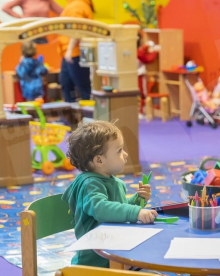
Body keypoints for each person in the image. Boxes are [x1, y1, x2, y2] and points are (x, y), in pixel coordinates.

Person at [62, 121, 158, 267]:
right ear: (99, 160)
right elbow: (101, 209)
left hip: (116, 252)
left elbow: (116, 211)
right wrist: (135, 212)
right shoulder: (89, 183)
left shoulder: (112, 181)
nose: (125, 155)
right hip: (96, 263)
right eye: (119, 150)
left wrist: (137, 201)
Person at [58, 0, 94, 102]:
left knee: (82, 86)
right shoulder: (72, 4)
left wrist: (69, 50)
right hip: (68, 53)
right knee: (67, 84)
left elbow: (77, 29)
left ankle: (88, 114)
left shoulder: (78, 6)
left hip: (75, 53)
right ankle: (70, 114)